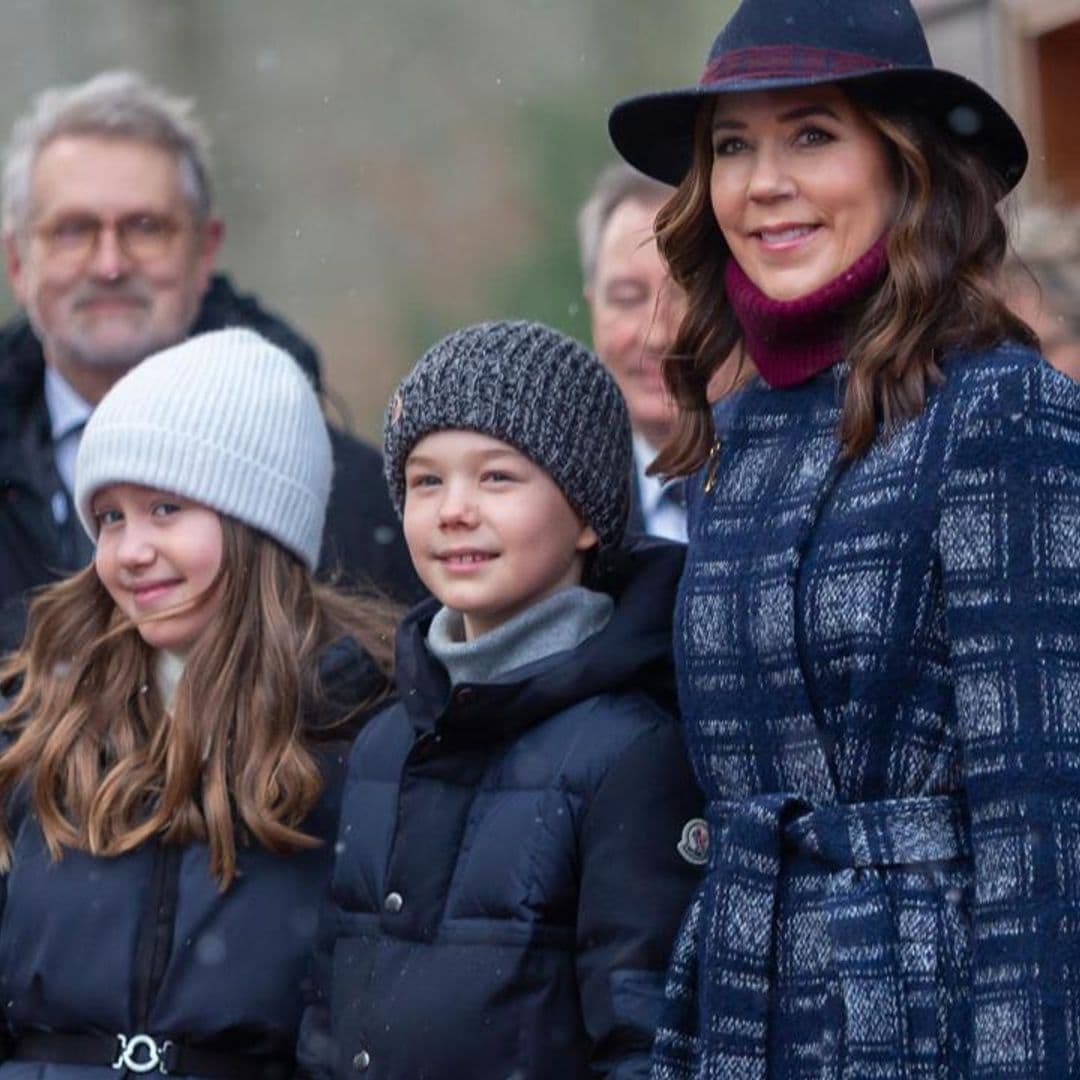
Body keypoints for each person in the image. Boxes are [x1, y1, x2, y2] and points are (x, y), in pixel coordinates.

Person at [608, 0, 1080, 1076]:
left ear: (904, 164)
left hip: (926, 1020)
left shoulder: (1003, 412)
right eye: (733, 145)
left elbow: (1047, 831)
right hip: (733, 1007)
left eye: (811, 134)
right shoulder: (731, 440)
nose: (761, 181)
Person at [298, 321, 704, 1079]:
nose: (454, 509)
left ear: (586, 515)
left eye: (496, 478)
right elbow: (332, 1008)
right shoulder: (387, 740)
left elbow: (645, 1036)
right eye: (426, 480)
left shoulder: (631, 752)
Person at [0, 328, 396, 1078]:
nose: (129, 549)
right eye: (110, 516)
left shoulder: (364, 735)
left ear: (258, 525)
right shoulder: (45, 722)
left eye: (165, 507)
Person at [0, 69, 418, 649]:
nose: (110, 264)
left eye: (146, 227)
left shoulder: (352, 497)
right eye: (74, 231)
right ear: (17, 262)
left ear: (206, 250)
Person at [579, 162, 688, 541]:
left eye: (686, 294)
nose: (657, 335)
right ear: (593, 309)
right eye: (628, 298)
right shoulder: (565, 514)